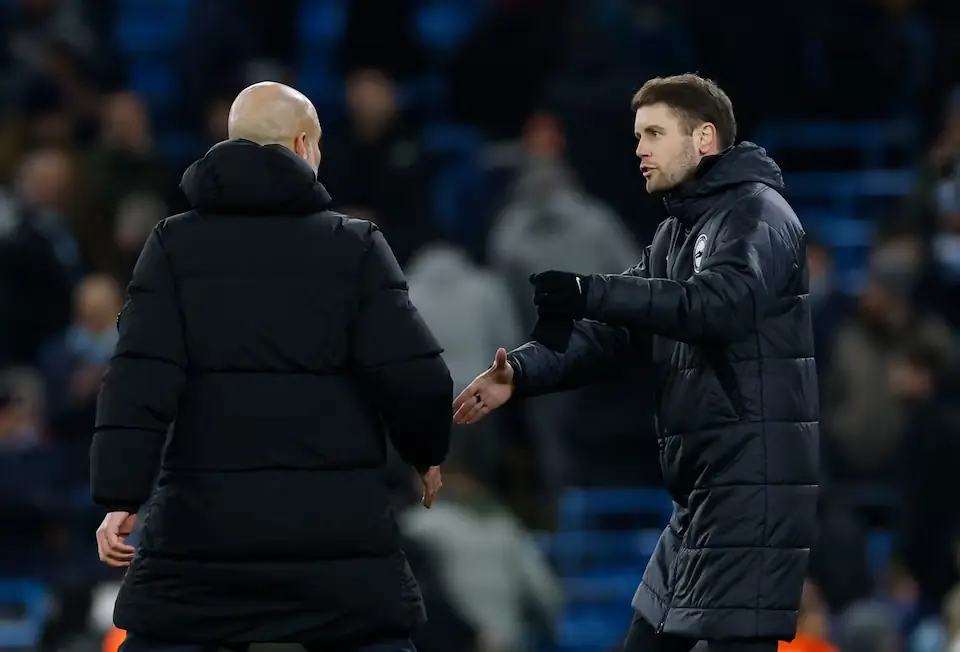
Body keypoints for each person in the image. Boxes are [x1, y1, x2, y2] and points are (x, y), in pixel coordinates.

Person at [454, 74, 818, 652]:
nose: (640, 149)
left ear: (704, 139)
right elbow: (613, 332)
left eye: (654, 133)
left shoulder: (759, 214)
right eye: (637, 135)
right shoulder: (677, 230)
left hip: (754, 493)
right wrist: (519, 372)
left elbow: (719, 306)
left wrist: (589, 289)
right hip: (700, 497)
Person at [90, 81, 453, 652]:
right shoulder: (353, 246)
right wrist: (426, 450)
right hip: (335, 548)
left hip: (203, 544)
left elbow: (138, 381)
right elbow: (416, 376)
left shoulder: (173, 246)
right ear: (304, 144)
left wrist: (120, 494)